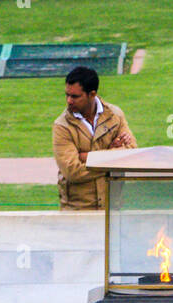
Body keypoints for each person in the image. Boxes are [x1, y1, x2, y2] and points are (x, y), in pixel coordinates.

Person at [52, 65, 137, 211]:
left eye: (75, 96)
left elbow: (132, 153)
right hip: (77, 210)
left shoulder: (115, 115)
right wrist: (113, 157)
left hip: (112, 209)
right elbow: (73, 172)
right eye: (67, 95)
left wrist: (86, 157)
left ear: (92, 94)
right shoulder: (62, 126)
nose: (69, 101)